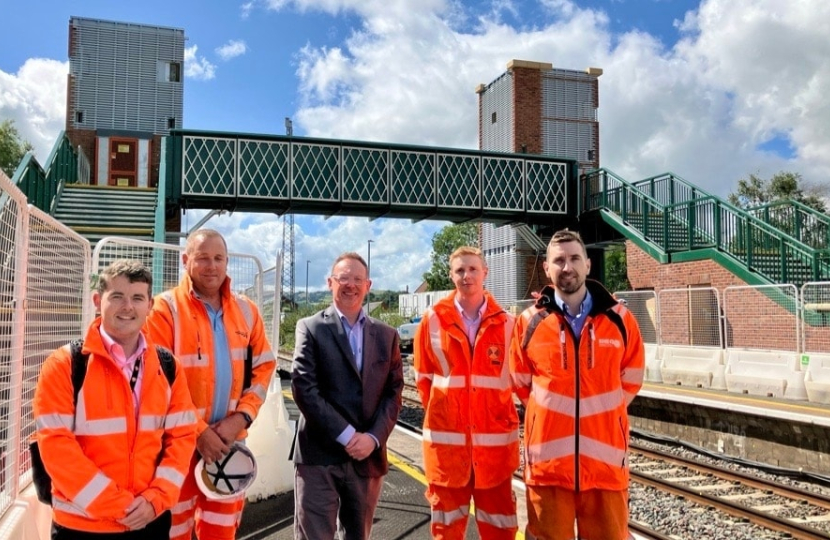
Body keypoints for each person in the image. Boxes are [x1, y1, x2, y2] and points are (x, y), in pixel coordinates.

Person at [33, 259, 197, 539]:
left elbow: (182, 437)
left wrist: (155, 499)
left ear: (150, 305)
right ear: (98, 301)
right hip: (82, 526)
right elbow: (57, 448)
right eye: (117, 296)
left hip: (150, 520)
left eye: (137, 298)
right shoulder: (65, 365)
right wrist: (122, 507)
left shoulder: (168, 367)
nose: (128, 307)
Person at [509, 229, 645, 540]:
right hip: (547, 468)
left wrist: (601, 418)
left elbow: (632, 379)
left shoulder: (621, 320)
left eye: (574, 258)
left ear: (587, 264)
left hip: (605, 468)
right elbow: (520, 383)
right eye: (558, 260)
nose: (566, 267)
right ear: (547, 268)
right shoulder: (529, 322)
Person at [145, 228, 277, 540]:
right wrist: (199, 432)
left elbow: (264, 367)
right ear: (185, 260)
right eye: (203, 258)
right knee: (172, 532)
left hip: (230, 447)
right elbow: (157, 381)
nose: (211, 265)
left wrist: (241, 417)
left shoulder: (247, 311)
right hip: (175, 448)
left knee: (221, 534)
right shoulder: (164, 310)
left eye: (218, 258)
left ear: (227, 262)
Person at [291, 252, 403, 540]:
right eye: (343, 278)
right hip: (318, 454)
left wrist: (373, 438)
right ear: (330, 282)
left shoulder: (387, 335)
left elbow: (394, 392)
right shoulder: (311, 327)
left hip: (368, 456)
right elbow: (304, 387)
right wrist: (347, 435)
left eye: (357, 279)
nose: (350, 285)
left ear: (368, 285)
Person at [413, 246, 519, 539]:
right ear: (451, 276)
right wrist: (447, 416)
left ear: (485, 273)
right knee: (446, 532)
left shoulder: (509, 325)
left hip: (494, 454)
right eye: (460, 270)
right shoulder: (432, 321)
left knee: (500, 532)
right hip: (448, 454)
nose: (466, 275)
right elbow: (423, 381)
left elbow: (517, 380)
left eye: (473, 269)